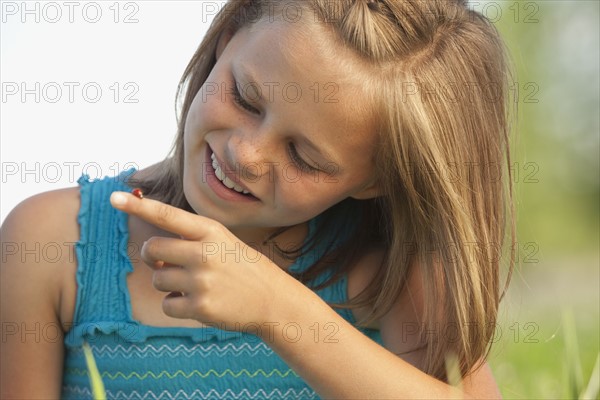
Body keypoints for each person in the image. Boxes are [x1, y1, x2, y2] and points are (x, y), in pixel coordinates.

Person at [1, 0, 515, 398]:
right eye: (246, 98)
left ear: (376, 180)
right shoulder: (53, 243)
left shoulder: (387, 266)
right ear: (227, 39)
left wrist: (279, 310)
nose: (246, 154)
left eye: (305, 158)